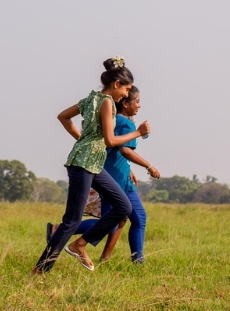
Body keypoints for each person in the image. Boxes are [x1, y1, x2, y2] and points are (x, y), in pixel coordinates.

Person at [33, 57, 150, 273]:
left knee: (124, 206)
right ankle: (40, 269)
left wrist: (82, 139)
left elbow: (63, 117)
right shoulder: (107, 103)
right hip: (83, 165)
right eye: (126, 89)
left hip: (93, 164)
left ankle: (80, 244)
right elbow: (110, 141)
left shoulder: (90, 98)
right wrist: (138, 133)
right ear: (116, 84)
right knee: (71, 221)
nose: (126, 95)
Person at [50, 85, 160, 263]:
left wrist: (128, 168)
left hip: (112, 172)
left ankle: (110, 259)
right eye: (136, 101)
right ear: (124, 100)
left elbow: (112, 149)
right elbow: (122, 149)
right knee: (119, 219)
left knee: (125, 217)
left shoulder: (105, 109)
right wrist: (148, 164)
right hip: (112, 176)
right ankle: (67, 240)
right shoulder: (120, 118)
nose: (139, 105)